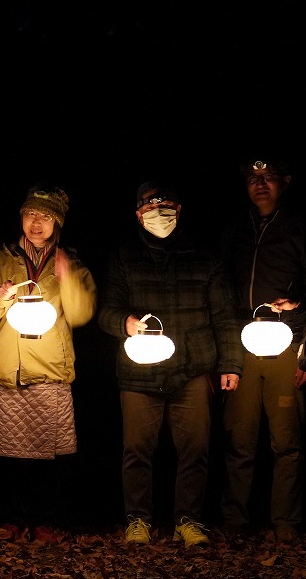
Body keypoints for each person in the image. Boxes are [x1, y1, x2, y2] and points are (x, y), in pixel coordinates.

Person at [96, 181, 243, 548]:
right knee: (136, 451)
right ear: (137, 213)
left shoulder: (205, 256)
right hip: (138, 373)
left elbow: (224, 316)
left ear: (179, 208)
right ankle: (138, 521)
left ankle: (189, 521)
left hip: (191, 370)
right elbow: (106, 311)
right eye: (149, 206)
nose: (158, 213)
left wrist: (231, 364)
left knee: (196, 449)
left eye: (165, 205)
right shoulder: (124, 256)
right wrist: (124, 323)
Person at [0, 184, 97, 543]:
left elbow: (82, 313)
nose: (36, 223)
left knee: (45, 454)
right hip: (7, 367)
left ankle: (42, 521)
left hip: (49, 369)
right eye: (30, 214)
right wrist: (0, 295)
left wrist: (67, 277)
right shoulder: (0, 258)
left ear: (57, 222)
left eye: (45, 216)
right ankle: (9, 519)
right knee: (6, 454)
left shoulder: (71, 261)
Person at [219, 157, 306, 545]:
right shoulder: (235, 229)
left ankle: (286, 524)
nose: (259, 184)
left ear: (286, 181)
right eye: (252, 178)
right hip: (244, 345)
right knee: (239, 439)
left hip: (286, 344)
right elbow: (221, 291)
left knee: (287, 440)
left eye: (268, 178)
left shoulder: (302, 230)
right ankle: (234, 520)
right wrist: (225, 353)